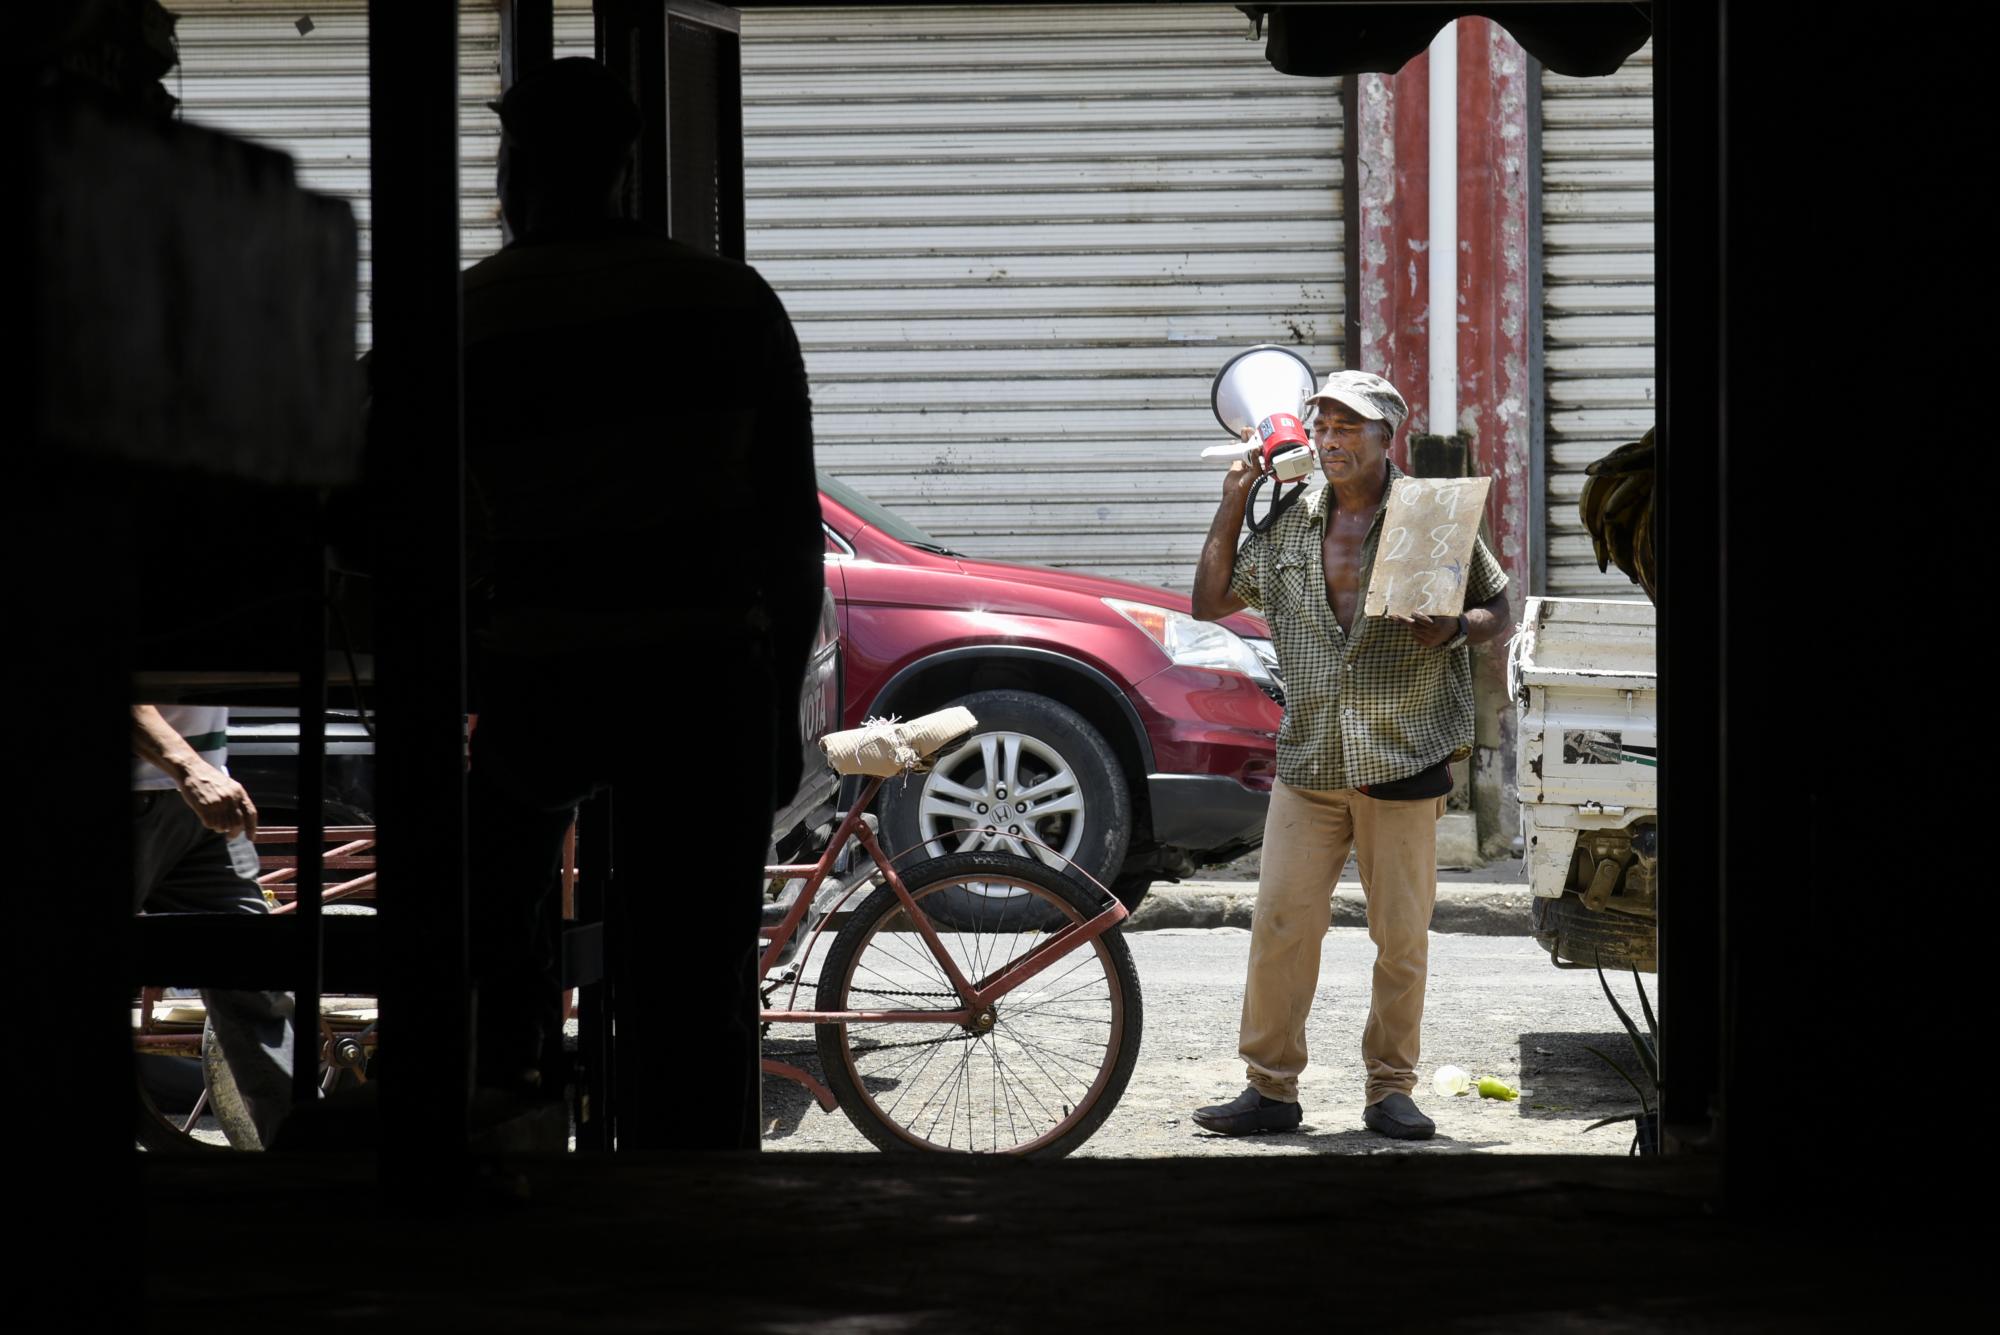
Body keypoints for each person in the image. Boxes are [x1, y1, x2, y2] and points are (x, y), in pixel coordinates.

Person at [456, 58, 823, 1148]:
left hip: (538, 674)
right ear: (625, 164)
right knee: (691, 970)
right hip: (699, 676)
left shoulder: (468, 316)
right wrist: (775, 710)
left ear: (515, 168)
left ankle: (514, 1120)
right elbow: (786, 530)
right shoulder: (726, 301)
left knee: (499, 936)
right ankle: (693, 1188)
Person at [1187, 369, 1512, 1140]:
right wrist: (1235, 493)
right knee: (1281, 926)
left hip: (1403, 756)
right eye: (1322, 426)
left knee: (1399, 937)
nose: (1329, 440)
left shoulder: (1432, 515)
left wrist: (1457, 628)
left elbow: (1499, 604)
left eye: (1347, 428)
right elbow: (1209, 600)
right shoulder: (1292, 517)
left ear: (1384, 436)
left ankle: (1391, 1088)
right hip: (1311, 760)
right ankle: (1269, 1089)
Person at [131, 704, 295, 1147]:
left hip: (201, 803)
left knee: (256, 981)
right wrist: (188, 768)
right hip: (151, 790)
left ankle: (306, 1157)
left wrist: (205, 771)